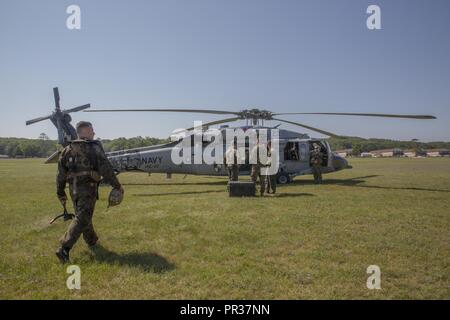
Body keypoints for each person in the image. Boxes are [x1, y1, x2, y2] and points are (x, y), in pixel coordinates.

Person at [55, 121, 123, 263]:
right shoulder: (93, 148)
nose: (94, 133)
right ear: (84, 131)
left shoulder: (67, 150)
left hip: (72, 190)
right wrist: (117, 185)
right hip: (87, 188)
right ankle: (64, 248)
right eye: (92, 130)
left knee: (83, 215)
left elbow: (60, 175)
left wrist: (60, 192)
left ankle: (92, 241)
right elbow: (106, 168)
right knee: (82, 217)